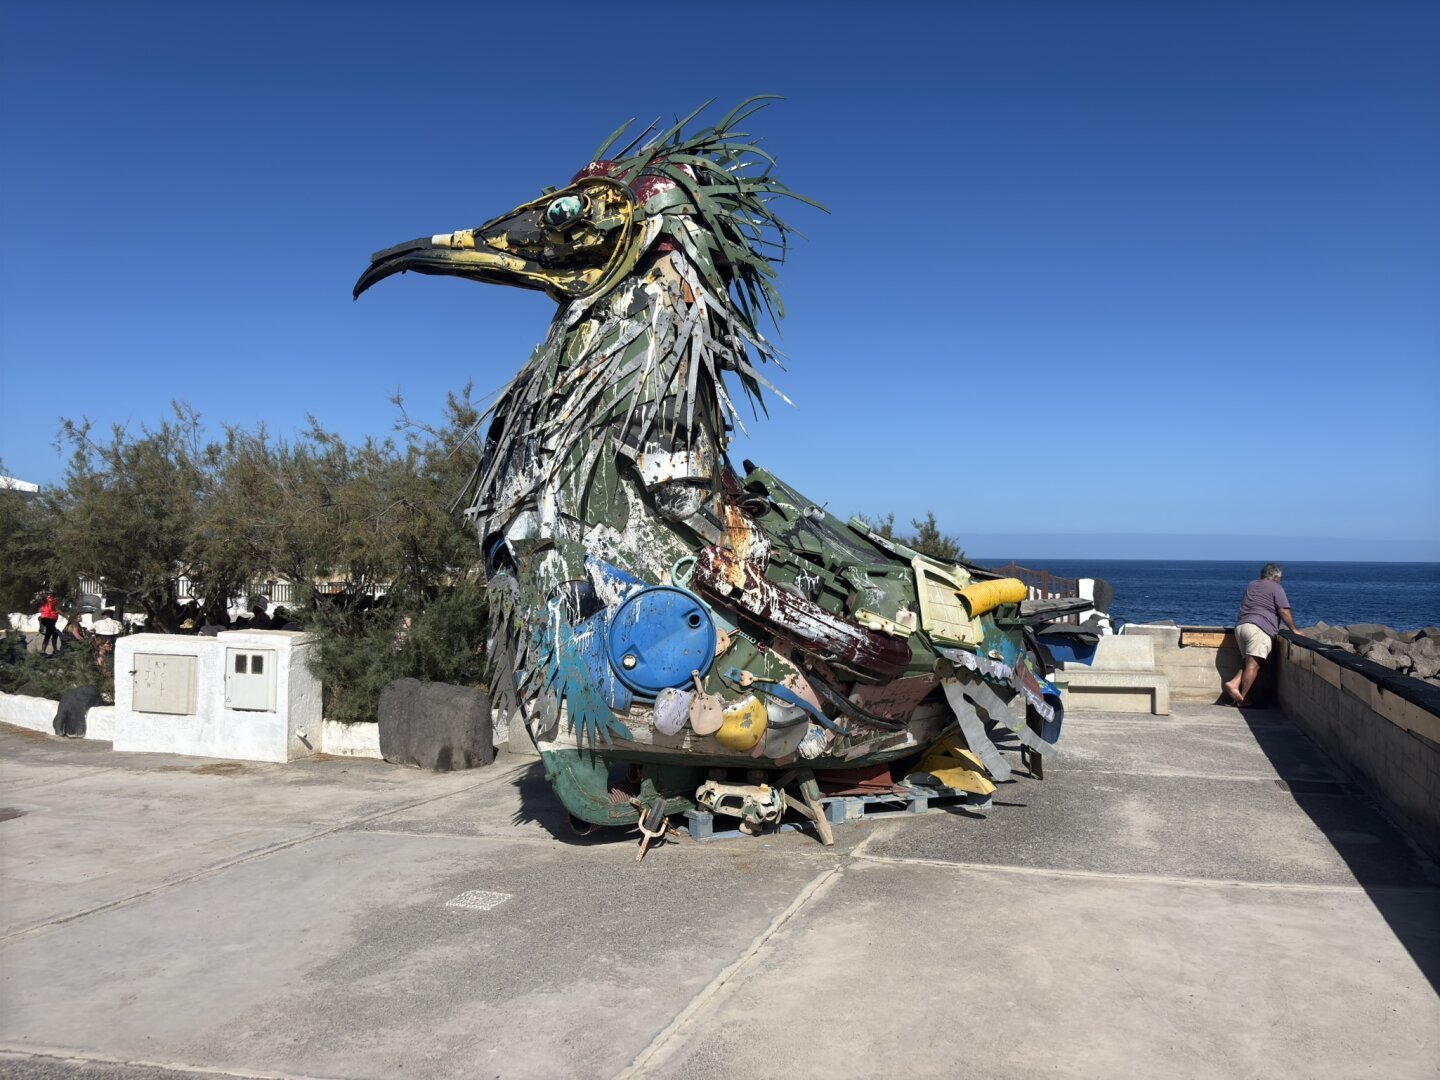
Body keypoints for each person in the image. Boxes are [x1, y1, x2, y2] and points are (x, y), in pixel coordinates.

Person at [1224, 563, 1298, 706]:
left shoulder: (1251, 585)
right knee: (1254, 665)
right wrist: (1294, 629)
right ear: (1276, 577)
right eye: (1279, 579)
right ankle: (1244, 701)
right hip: (1258, 628)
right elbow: (1283, 610)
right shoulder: (1276, 587)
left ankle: (1234, 685)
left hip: (1241, 626)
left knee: (1250, 663)